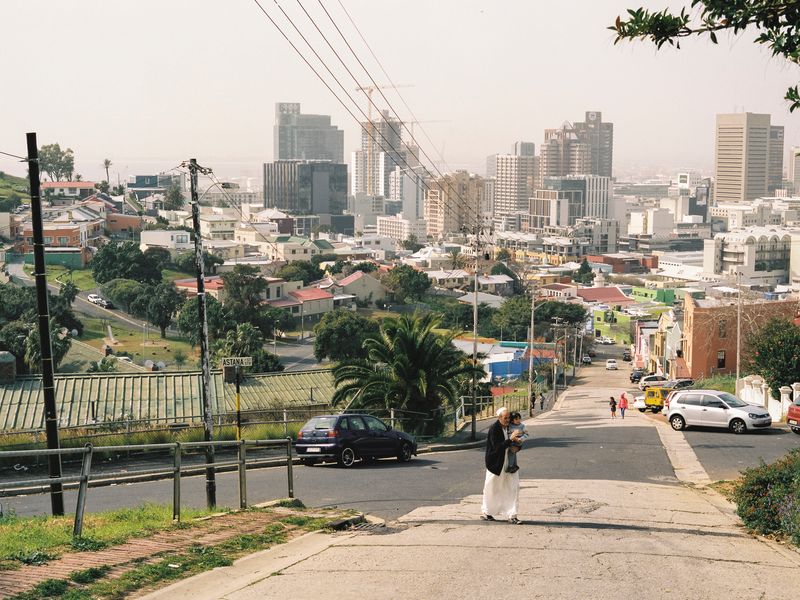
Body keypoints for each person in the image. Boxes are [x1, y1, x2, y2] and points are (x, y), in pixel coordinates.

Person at [481, 407, 523, 524]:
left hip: (509, 463)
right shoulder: (494, 429)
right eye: (505, 418)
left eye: (509, 417)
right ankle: (487, 512)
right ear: (499, 418)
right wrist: (510, 440)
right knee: (491, 488)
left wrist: (517, 445)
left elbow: (514, 442)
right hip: (495, 464)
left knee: (513, 487)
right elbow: (497, 447)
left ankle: (512, 515)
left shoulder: (510, 427)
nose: (508, 420)